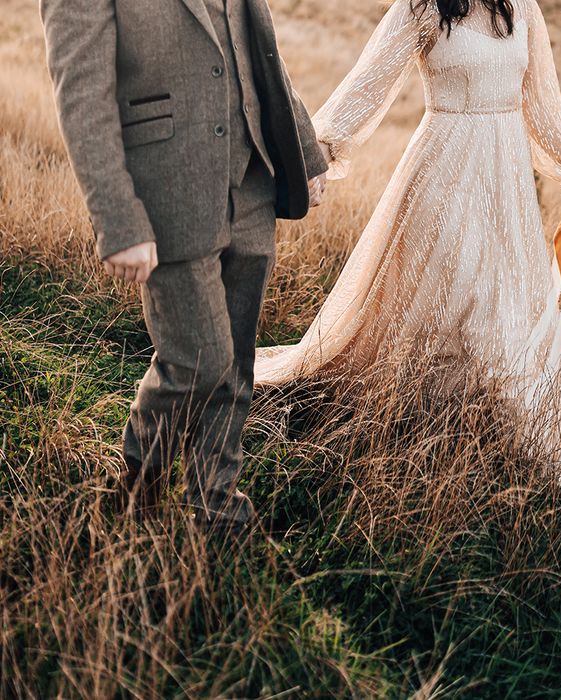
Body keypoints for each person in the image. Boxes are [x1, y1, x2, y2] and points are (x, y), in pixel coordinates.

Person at [251, 0, 561, 471]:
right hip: (444, 172)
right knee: (454, 294)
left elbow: (544, 117)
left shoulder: (523, 9)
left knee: (509, 309)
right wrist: (312, 157)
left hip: (507, 184)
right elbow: (367, 87)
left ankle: (515, 445)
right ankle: (413, 422)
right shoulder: (421, 8)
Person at [40, 0, 328, 532]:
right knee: (198, 360)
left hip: (252, 182)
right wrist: (119, 222)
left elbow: (260, 50)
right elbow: (82, 96)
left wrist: (305, 152)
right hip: (166, 193)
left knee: (236, 362)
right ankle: (134, 492)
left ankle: (214, 505)